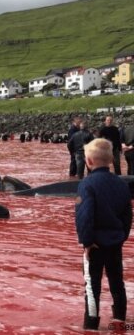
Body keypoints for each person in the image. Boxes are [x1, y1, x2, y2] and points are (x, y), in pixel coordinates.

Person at [75, 138, 132, 330]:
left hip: (94, 245)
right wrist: (121, 236)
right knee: (117, 283)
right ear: (110, 160)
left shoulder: (87, 184)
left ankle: (91, 325)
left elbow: (85, 216)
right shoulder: (121, 184)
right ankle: (120, 322)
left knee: (92, 288)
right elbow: (127, 215)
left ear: (89, 162)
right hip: (115, 242)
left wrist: (86, 242)